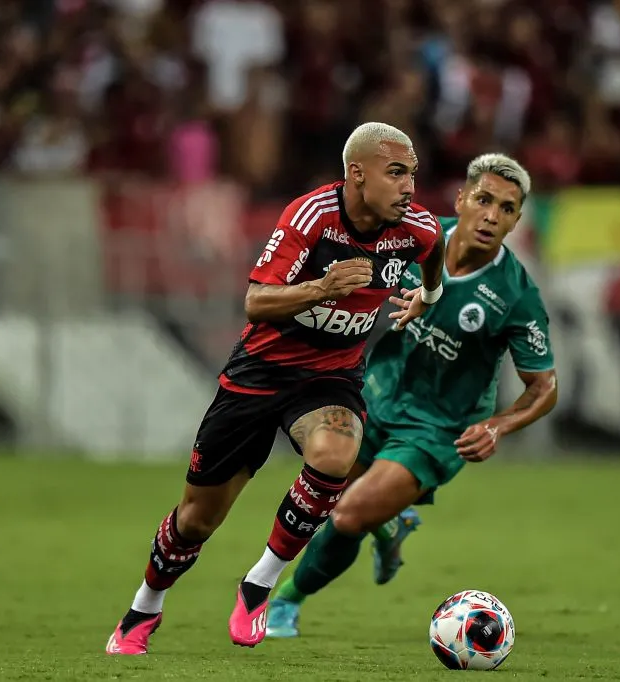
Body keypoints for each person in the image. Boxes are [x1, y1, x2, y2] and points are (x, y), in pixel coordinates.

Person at [105, 122, 445, 655]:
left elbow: (435, 252)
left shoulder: (416, 228)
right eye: (396, 172)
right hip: (259, 374)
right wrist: (322, 288)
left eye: (412, 175)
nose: (409, 186)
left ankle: (259, 584)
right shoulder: (312, 216)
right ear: (357, 173)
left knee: (336, 454)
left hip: (329, 378)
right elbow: (256, 303)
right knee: (197, 519)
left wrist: (430, 292)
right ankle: (143, 608)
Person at [262, 153, 558, 639]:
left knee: (348, 513)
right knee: (320, 497)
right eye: (483, 199)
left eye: (506, 208)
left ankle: (285, 602)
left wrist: (496, 425)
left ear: (516, 220)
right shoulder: (413, 238)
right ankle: (391, 525)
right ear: (461, 199)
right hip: (371, 397)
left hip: (436, 430)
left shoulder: (516, 296)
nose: (490, 215)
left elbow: (543, 386)